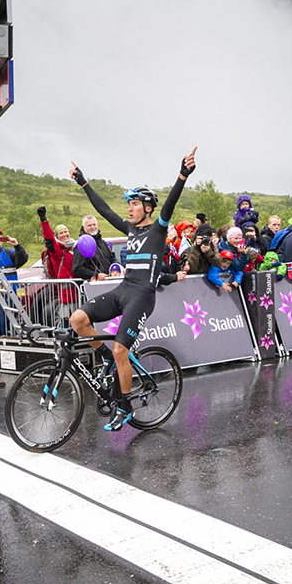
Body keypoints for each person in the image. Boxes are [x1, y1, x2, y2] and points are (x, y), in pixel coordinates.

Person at [68, 146, 197, 431]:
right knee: (77, 319)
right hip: (124, 290)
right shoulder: (130, 229)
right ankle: (106, 357)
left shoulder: (158, 229)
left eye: (135, 204)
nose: (130, 208)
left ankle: (125, 405)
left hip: (142, 296)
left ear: (148, 208)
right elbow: (103, 209)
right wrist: (84, 183)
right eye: (129, 204)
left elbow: (170, 206)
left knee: (120, 349)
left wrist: (182, 175)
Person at [37, 207, 77, 326]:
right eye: (61, 233)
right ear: (57, 236)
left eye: (66, 231)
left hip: (78, 290)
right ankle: (64, 342)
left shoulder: (76, 247)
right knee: (65, 321)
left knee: (80, 322)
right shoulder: (57, 251)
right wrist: (44, 221)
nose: (64, 234)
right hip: (66, 292)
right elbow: (49, 237)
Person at [0, 226, 28, 336]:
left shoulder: (10, 252)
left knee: (13, 321)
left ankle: (13, 340)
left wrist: (17, 246)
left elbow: (22, 259)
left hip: (11, 294)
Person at [71, 214, 116, 281]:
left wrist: (116, 268)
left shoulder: (102, 243)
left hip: (108, 281)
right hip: (93, 285)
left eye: (94, 224)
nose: (92, 227)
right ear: (84, 227)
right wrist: (95, 275)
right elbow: (77, 269)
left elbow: (112, 259)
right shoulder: (81, 245)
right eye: (89, 225)